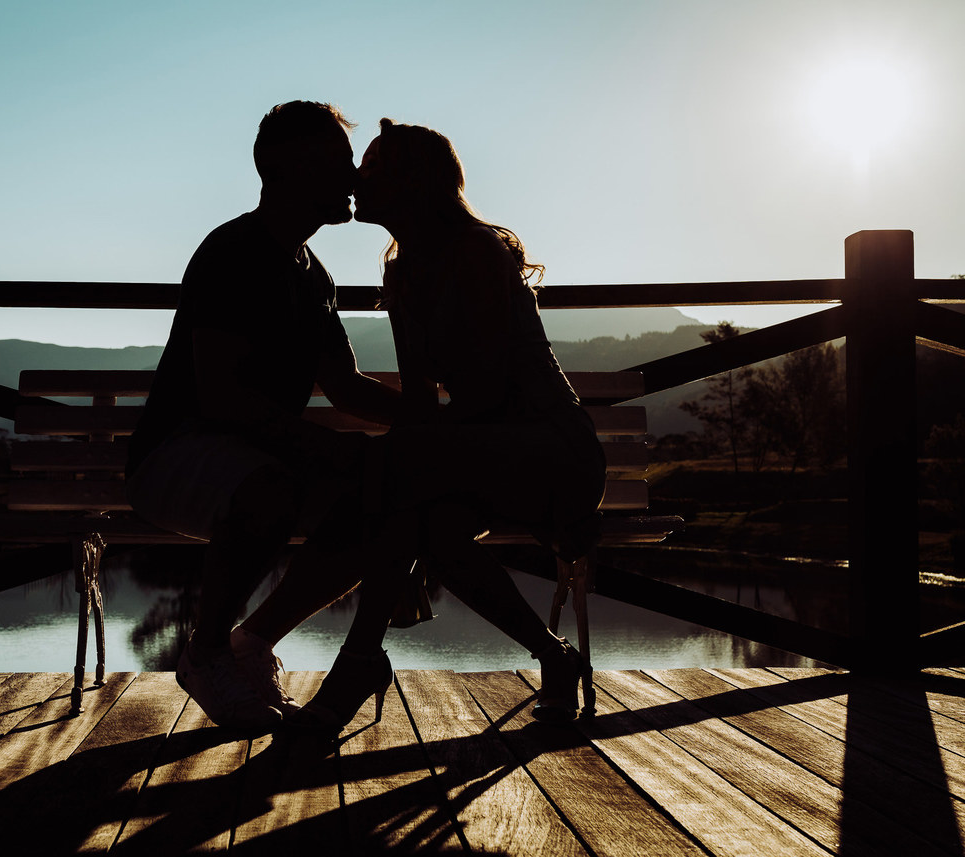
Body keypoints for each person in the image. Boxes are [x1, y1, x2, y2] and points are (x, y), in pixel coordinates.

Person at [292, 119, 608, 733]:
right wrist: (408, 455)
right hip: (480, 452)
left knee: (394, 472)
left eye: (373, 168)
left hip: (554, 452)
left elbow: (488, 392)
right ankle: (554, 657)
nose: (357, 178)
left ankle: (352, 662)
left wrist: (407, 458)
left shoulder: (477, 252)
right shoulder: (402, 271)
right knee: (429, 527)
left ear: (412, 182)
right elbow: (418, 401)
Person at [126, 101, 399, 732]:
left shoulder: (313, 274)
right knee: (272, 489)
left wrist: (439, 416)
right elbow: (221, 399)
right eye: (338, 161)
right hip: (172, 454)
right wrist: (332, 451)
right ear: (290, 169)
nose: (354, 175)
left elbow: (345, 387)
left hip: (256, 459)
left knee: (379, 502)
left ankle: (249, 643)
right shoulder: (235, 252)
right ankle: (206, 653)